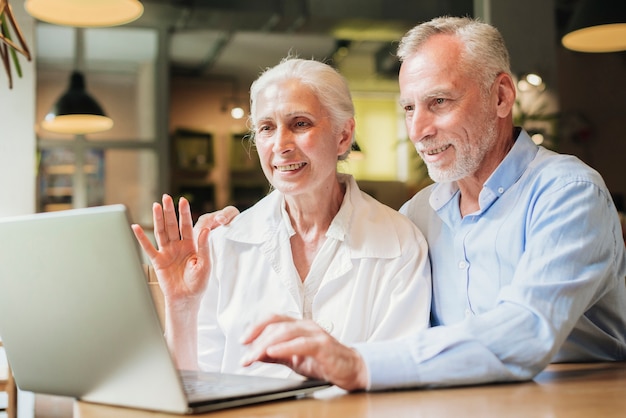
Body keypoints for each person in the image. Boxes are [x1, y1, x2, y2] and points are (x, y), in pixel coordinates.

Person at [233, 16, 626, 390]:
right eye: (408, 108)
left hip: (576, 399)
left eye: (438, 101)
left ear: (502, 96)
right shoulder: (418, 215)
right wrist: (238, 228)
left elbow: (528, 329)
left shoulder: (568, 193)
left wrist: (359, 363)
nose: (419, 130)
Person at [132, 58, 431, 378]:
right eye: (266, 128)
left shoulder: (400, 243)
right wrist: (181, 305)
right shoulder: (223, 243)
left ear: (344, 135)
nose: (280, 145)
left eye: (300, 124)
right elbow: (194, 384)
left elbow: (397, 378)